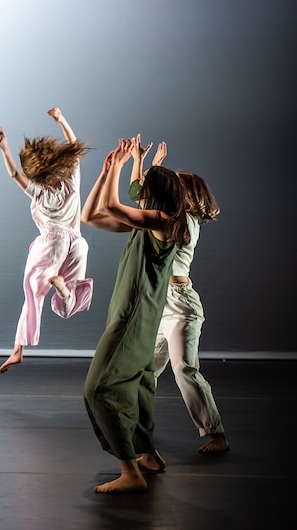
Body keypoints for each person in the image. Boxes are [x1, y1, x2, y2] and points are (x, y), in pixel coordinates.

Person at [80, 136, 189, 493]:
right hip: (138, 320)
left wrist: (122, 165)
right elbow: (90, 216)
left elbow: (113, 205)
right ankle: (149, 456)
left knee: (98, 389)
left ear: (154, 196)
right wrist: (107, 171)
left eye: (142, 188)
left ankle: (130, 472)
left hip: (132, 321)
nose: (137, 191)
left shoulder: (160, 221)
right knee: (140, 389)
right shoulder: (148, 223)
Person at [130, 143, 229, 453]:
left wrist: (147, 168)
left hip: (181, 305)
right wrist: (145, 163)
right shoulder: (173, 216)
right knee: (146, 369)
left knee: (184, 368)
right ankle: (136, 425)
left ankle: (217, 433)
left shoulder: (183, 221)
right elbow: (143, 200)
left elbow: (142, 206)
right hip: (161, 302)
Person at [0, 107, 93, 373]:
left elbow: (15, 175)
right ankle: (63, 290)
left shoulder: (39, 192)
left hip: (52, 242)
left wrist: (4, 149)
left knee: (33, 292)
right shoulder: (72, 182)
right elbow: (73, 145)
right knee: (67, 306)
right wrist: (62, 119)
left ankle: (18, 350)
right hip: (78, 244)